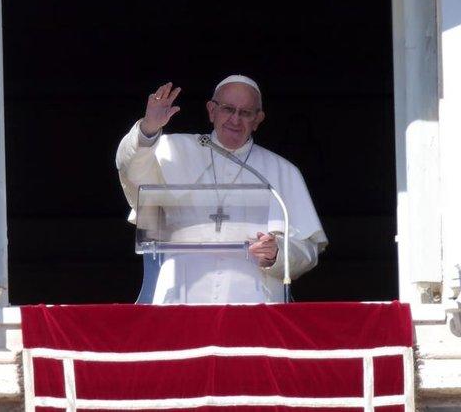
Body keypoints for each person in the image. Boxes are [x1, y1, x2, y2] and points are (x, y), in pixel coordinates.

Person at [116, 75, 327, 304]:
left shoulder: (282, 171)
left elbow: (307, 249)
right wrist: (148, 128)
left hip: (254, 301)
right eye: (228, 109)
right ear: (211, 110)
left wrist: (278, 253)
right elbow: (131, 170)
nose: (235, 119)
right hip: (180, 297)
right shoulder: (171, 150)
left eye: (245, 113)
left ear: (258, 119)